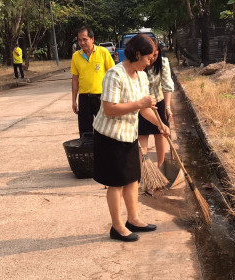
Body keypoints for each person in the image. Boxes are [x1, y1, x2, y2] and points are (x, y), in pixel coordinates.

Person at [92, 34, 170, 242]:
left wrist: (161, 125)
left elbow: (145, 111)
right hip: (109, 137)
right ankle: (117, 227)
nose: (150, 62)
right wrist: (139, 104)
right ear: (137, 54)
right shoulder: (114, 75)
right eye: (148, 58)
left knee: (132, 179)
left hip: (129, 136)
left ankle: (133, 219)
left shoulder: (142, 76)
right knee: (116, 183)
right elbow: (109, 109)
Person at [71, 26, 115, 137]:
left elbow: (113, 74)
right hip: (84, 98)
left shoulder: (103, 52)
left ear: (92, 39)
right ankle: (88, 153)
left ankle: (106, 153)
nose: (82, 42)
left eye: (85, 39)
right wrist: (74, 100)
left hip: (102, 97)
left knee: (105, 129)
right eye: (79, 40)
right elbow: (75, 79)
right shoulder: (76, 56)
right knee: (85, 131)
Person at [138, 37, 175, 169]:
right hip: (141, 103)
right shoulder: (139, 64)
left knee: (160, 134)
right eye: (150, 55)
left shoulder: (163, 63)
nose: (152, 58)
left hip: (158, 103)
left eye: (155, 55)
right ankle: (144, 169)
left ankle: (161, 166)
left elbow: (167, 85)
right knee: (142, 135)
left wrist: (167, 106)